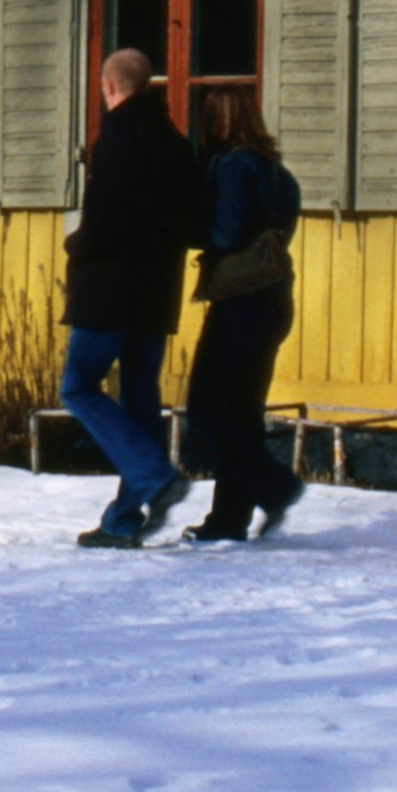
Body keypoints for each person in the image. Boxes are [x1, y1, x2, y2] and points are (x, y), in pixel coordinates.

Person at [62, 45, 207, 548]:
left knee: (77, 388)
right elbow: (192, 220)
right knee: (140, 396)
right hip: (155, 293)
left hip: (108, 293)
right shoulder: (173, 140)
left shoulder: (116, 138)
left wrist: (74, 245)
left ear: (108, 87)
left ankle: (153, 475)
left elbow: (103, 224)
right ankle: (124, 519)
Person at [180, 85, 307, 541]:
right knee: (242, 411)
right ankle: (229, 518)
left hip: (240, 300)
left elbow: (227, 233)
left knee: (210, 409)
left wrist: (185, 228)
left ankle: (274, 487)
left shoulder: (232, 166)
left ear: (216, 123)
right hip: (273, 299)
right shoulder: (279, 172)